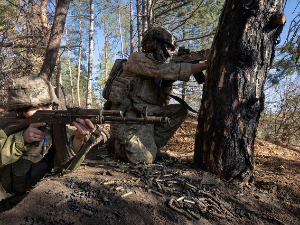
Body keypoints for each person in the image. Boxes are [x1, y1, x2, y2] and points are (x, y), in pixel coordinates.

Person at [0, 75, 109, 212]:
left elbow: (64, 164)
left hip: (37, 201)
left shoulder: (56, 127)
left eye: (47, 105)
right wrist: (21, 139)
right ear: (20, 110)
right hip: (4, 197)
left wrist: (78, 138)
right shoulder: (6, 125)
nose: (45, 111)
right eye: (35, 107)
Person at [108, 27, 208, 164]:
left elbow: (161, 100)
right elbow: (163, 70)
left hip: (147, 118)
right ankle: (120, 144)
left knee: (180, 110)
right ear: (153, 45)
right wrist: (206, 65)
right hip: (129, 118)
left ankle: (151, 146)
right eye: (167, 47)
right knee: (144, 159)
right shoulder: (136, 59)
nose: (169, 52)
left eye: (171, 49)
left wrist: (166, 85)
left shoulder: (159, 70)